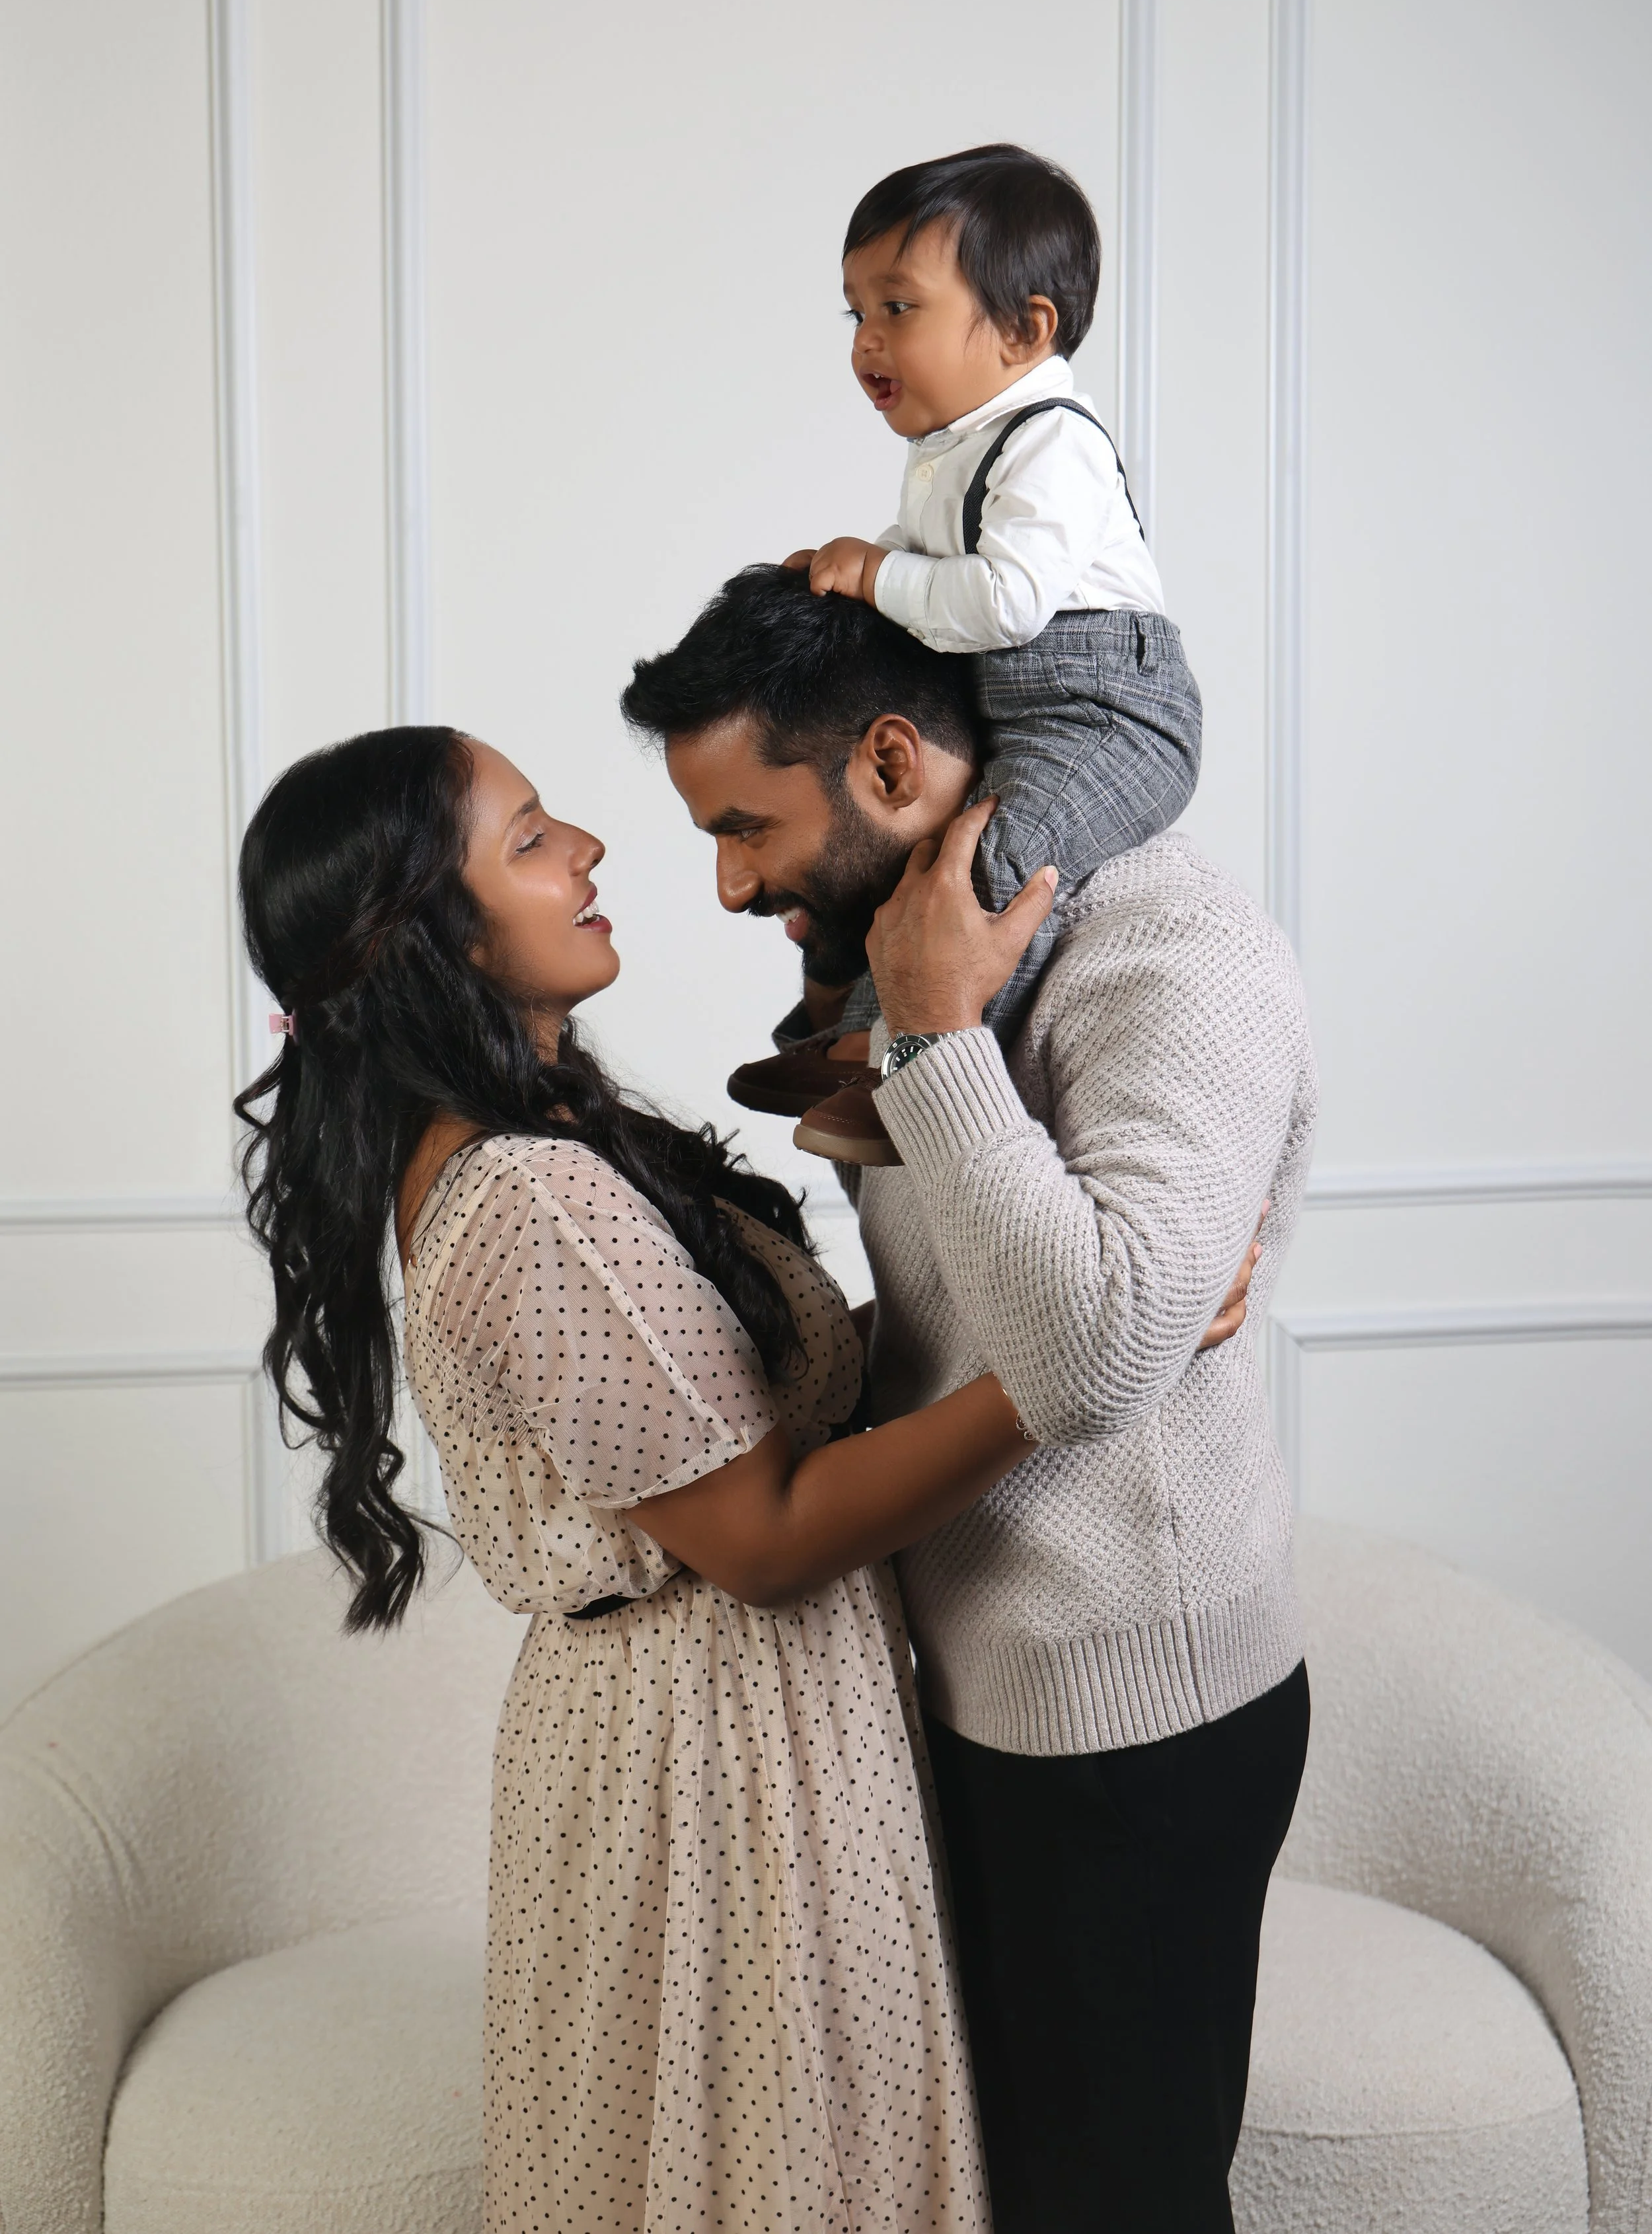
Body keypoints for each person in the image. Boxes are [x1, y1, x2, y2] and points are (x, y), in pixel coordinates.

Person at [233, 722, 1261, 2234]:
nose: (584, 849)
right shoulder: (530, 1196)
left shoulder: (546, 1139)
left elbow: (727, 1406)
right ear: (429, 936)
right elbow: (763, 1531)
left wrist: (1068, 1296)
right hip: (709, 1757)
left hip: (738, 1724)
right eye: (527, 837)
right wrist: (1090, 1350)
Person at [622, 572, 1318, 2234]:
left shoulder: (1164, 941)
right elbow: (992, 1312)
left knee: (1117, 2206)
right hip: (980, 1685)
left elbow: (1082, 1370)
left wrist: (935, 1033)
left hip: (1135, 1722)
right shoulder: (906, 951)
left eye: (743, 826)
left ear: (883, 759)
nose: (727, 883)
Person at [728, 142, 1203, 1168]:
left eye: (899, 308)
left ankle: (903, 1069)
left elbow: (1005, 598)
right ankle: (848, 1033)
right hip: (1020, 706)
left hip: (1110, 712)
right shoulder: (954, 447)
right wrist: (855, 573)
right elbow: (925, 562)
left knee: (988, 868)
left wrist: (875, 576)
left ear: (1027, 329)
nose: (865, 342)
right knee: (904, 864)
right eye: (854, 314)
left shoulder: (1050, 442)